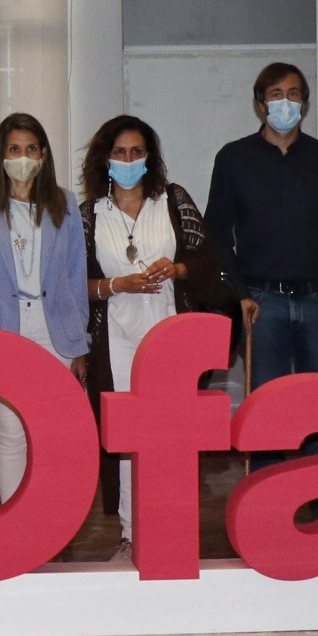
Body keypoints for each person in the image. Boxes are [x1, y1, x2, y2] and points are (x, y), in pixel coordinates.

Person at [82, 115, 222, 561]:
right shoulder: (88, 215)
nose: (128, 160)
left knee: (173, 433)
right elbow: (73, 285)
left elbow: (209, 261)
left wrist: (178, 268)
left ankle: (171, 529)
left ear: (150, 157)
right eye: (119, 152)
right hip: (115, 339)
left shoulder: (174, 200)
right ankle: (130, 533)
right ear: (105, 159)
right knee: (128, 438)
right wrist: (115, 285)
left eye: (137, 152)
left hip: (171, 333)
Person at [203, 63, 318, 401]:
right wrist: (239, 293)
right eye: (276, 95)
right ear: (261, 104)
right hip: (261, 302)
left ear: (304, 103)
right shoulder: (233, 159)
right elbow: (215, 234)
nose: (285, 102)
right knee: (265, 405)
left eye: (293, 94)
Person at [0, 113, 89, 493]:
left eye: (31, 149)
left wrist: (79, 343)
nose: (23, 157)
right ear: (1, 155)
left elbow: (76, 276)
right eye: (14, 149)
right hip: (3, 331)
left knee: (54, 432)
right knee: (11, 433)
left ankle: (53, 517)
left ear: (43, 154)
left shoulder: (64, 204)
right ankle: (14, 523)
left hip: (55, 329)